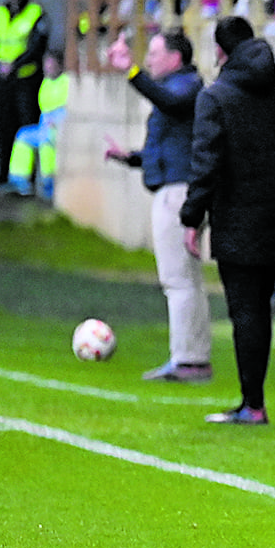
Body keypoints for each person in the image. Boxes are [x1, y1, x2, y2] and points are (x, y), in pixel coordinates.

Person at [180, 18, 275, 426]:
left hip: (237, 217)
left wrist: (192, 217)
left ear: (221, 52)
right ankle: (253, 400)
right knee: (260, 307)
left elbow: (206, 162)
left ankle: (252, 404)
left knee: (245, 310)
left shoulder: (216, 98)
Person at [105, 26, 212, 384]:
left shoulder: (187, 86)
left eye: (154, 53)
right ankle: (191, 357)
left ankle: (189, 360)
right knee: (183, 279)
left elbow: (171, 103)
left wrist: (130, 71)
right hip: (173, 187)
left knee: (178, 279)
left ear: (175, 57)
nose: (149, 60)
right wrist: (129, 157)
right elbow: (167, 146)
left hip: (178, 192)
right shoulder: (179, 88)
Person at [0, 0, 50, 187]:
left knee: (26, 124)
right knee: (4, 126)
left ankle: (26, 176)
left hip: (26, 79)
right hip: (2, 80)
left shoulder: (35, 13)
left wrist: (15, 64)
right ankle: (4, 173)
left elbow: (37, 46)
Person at [7, 52, 69, 200]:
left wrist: (58, 120)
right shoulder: (46, 83)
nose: (48, 69)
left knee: (46, 139)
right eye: (46, 65)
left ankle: (50, 182)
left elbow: (70, 109)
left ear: (59, 65)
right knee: (23, 136)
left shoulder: (67, 81)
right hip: (45, 123)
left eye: (51, 65)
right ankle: (19, 181)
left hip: (60, 126)